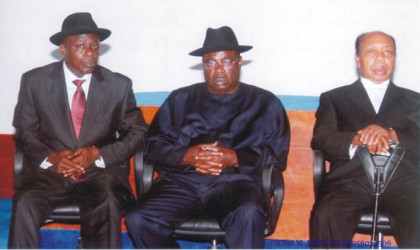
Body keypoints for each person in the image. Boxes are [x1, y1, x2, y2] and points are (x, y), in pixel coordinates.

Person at [125, 26, 290, 248]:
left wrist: (234, 158)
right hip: (183, 182)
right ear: (203, 65)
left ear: (239, 62)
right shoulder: (180, 99)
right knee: (138, 217)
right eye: (210, 63)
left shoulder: (265, 103)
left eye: (226, 62)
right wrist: (186, 156)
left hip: (236, 182)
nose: (219, 70)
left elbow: (277, 154)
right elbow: (153, 145)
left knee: (248, 213)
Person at [8, 12, 147, 248]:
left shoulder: (118, 85)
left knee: (108, 200)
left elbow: (138, 132)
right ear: (63, 48)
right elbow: (24, 131)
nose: (91, 52)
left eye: (95, 45)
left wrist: (98, 155)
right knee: (25, 204)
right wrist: (52, 157)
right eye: (81, 46)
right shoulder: (35, 81)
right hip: (49, 173)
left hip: (99, 173)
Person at [310, 31, 420, 248]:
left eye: (388, 52)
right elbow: (321, 139)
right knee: (326, 214)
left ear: (395, 58)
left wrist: (392, 135)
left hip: (404, 180)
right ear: (358, 59)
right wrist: (356, 138)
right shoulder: (335, 98)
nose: (380, 58)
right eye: (371, 52)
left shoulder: (414, 100)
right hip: (351, 180)